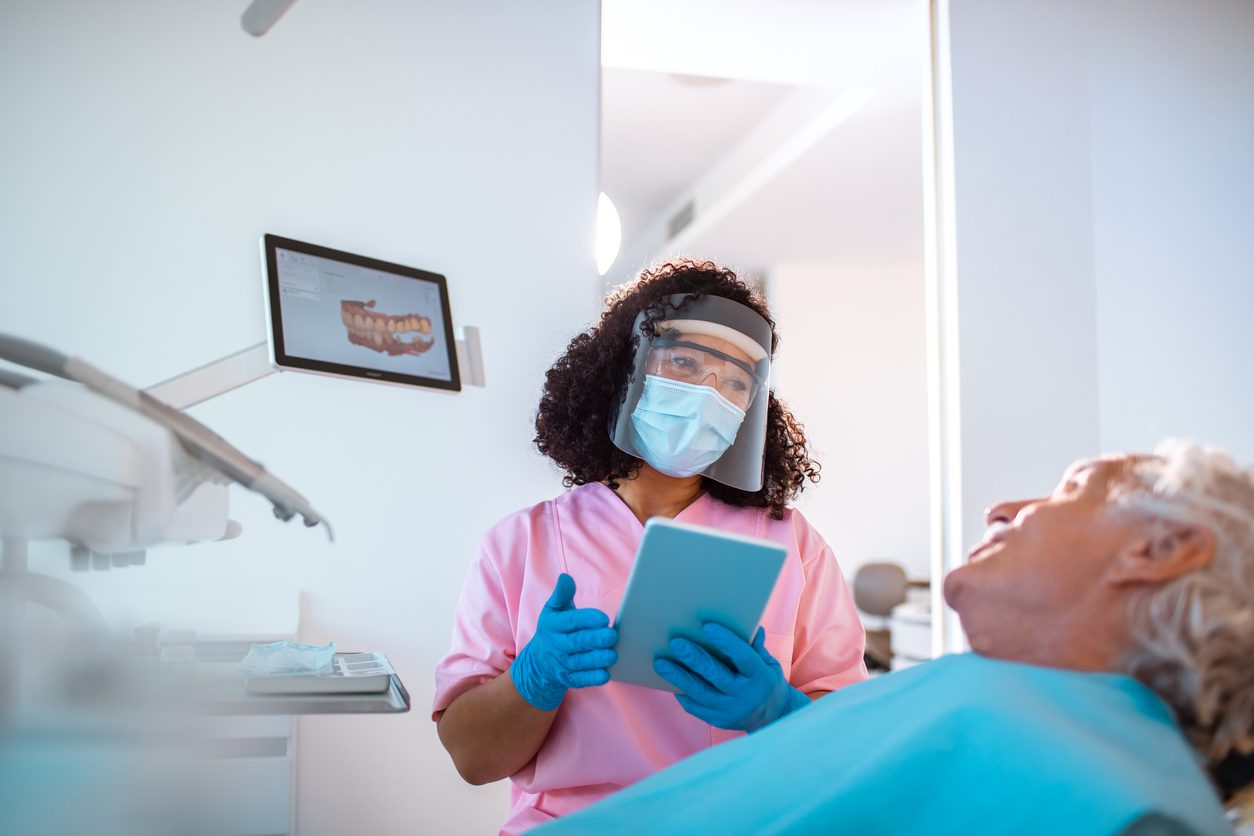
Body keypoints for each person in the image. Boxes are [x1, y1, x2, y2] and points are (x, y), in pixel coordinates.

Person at [538, 441, 1254, 835]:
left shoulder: (1134, 810)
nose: (1002, 507)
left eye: (1072, 489)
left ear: (1159, 552)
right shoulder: (1012, 701)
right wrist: (779, 716)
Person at [432, 260, 868, 833]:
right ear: (622, 369)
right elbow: (472, 758)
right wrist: (533, 679)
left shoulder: (794, 544)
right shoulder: (520, 543)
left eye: (735, 381)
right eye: (684, 362)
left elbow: (850, 744)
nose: (709, 394)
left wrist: (777, 712)